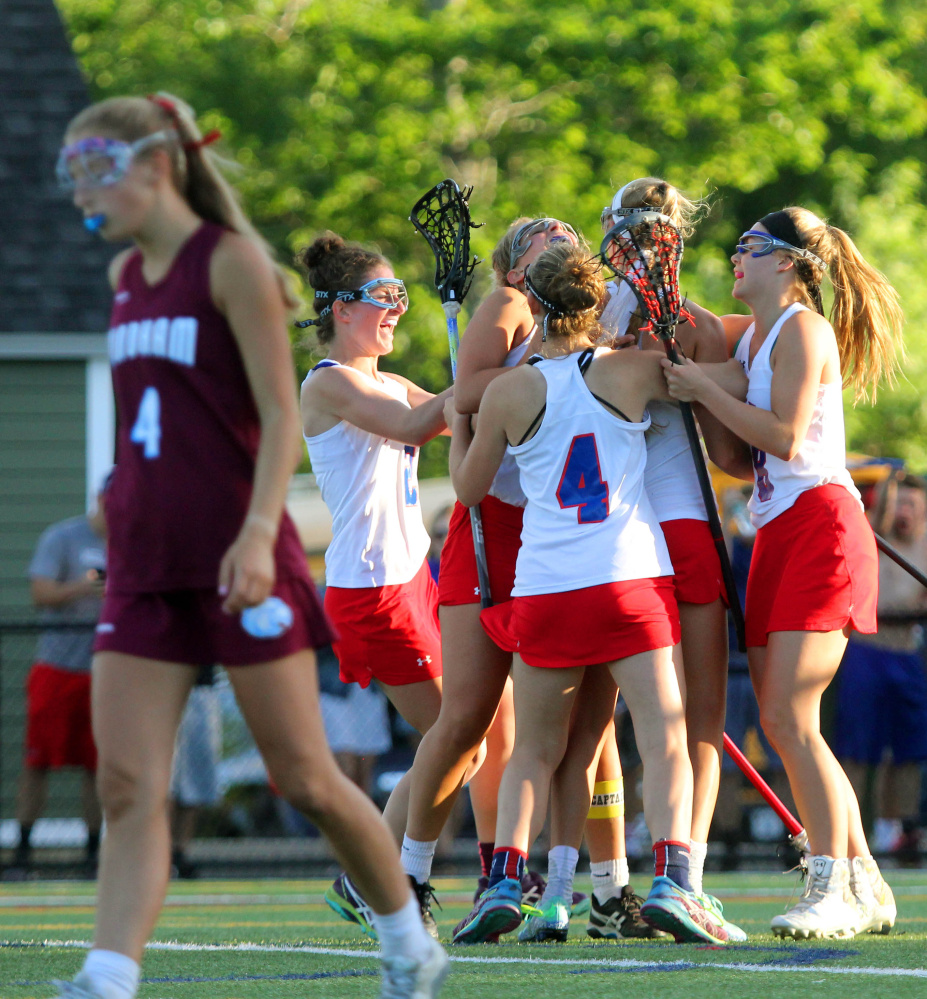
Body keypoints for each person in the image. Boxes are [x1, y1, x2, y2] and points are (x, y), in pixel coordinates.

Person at [53, 93, 446, 999]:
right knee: (125, 783)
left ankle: (405, 939)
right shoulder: (124, 278)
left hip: (238, 557)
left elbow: (277, 414)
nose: (80, 183)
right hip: (146, 562)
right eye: (70, 166)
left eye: (94, 162)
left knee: (308, 776)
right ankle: (108, 977)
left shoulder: (228, 264)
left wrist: (260, 531)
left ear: (157, 165)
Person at [447, 241, 730, 946]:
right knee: (663, 735)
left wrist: (459, 425)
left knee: (534, 751)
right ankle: (672, 877)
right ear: (593, 303)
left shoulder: (509, 390)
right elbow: (708, 376)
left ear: (533, 307)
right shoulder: (630, 371)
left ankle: (506, 878)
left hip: (545, 588)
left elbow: (468, 489)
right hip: (628, 580)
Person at [662, 205, 902, 939]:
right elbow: (735, 450)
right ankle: (864, 881)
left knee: (793, 718)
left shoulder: (801, 328)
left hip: (820, 524)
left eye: (749, 246)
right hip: (775, 531)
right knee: (778, 719)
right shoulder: (759, 336)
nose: (735, 255)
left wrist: (701, 390)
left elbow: (785, 438)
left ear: (789, 263)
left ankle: (832, 884)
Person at [299, 231, 496, 939]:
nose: (394, 311)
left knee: (463, 736)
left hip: (415, 575)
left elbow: (456, 413)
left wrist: (525, 358)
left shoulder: (383, 377)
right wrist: (490, 369)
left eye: (401, 298)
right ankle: (382, 875)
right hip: (373, 586)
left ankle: (372, 874)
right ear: (339, 308)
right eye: (382, 297)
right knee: (457, 736)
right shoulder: (329, 380)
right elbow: (424, 418)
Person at [598, 178, 747, 939]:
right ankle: (675, 875)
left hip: (610, 543)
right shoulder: (688, 325)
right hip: (678, 526)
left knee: (611, 725)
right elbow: (729, 457)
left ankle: (597, 882)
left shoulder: (586, 324)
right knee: (696, 720)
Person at [12, 482, 108, 877]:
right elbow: (40, 592)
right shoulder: (64, 536)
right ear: (100, 500)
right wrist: (84, 587)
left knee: (97, 765)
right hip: (57, 668)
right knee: (38, 761)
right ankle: (22, 852)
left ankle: (92, 854)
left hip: (104, 670)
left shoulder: (136, 541)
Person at [836, 472, 927, 861]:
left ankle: (897, 829)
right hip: (865, 650)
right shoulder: (874, 534)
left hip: (907, 653)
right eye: (898, 503)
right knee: (856, 750)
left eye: (912, 504)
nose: (903, 511)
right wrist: (888, 484)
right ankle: (849, 830)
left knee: (908, 751)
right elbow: (872, 515)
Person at [169, 665, 222, 879]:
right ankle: (159, 853)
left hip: (201, 689)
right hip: (164, 688)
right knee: (164, 781)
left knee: (196, 780)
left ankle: (179, 853)